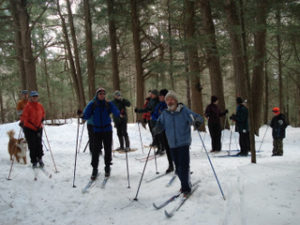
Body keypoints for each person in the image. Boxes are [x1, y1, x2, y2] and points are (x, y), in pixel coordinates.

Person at [154, 90, 203, 196]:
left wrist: (197, 122)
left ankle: (186, 188)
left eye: (171, 99)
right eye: (167, 100)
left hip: (183, 143)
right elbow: (159, 123)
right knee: (178, 168)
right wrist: (157, 128)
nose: (169, 102)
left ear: (176, 100)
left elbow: (198, 117)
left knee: (183, 167)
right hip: (172, 144)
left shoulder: (184, 111)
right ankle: (184, 184)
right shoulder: (165, 113)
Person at [83, 88, 120, 179]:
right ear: (97, 95)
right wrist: (81, 114)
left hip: (107, 130)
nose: (102, 95)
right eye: (100, 94)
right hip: (97, 130)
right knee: (95, 150)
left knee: (107, 149)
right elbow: (86, 115)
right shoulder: (92, 104)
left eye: (104, 94)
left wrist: (120, 113)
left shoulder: (108, 104)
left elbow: (116, 111)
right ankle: (94, 169)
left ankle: (107, 167)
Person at [20, 91, 45, 168]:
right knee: (32, 145)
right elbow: (25, 117)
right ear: (31, 98)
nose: (35, 98)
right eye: (33, 96)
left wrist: (42, 119)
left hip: (39, 128)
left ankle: (40, 158)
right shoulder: (27, 106)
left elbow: (43, 113)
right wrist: (22, 123)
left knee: (39, 144)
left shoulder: (40, 105)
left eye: (36, 96)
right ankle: (34, 161)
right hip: (29, 128)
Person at [152, 89, 174, 173]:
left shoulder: (170, 104)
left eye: (161, 96)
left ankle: (180, 165)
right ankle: (171, 165)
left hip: (172, 129)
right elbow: (154, 115)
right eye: (159, 96)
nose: (159, 97)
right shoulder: (159, 105)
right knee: (168, 147)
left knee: (174, 148)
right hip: (163, 130)